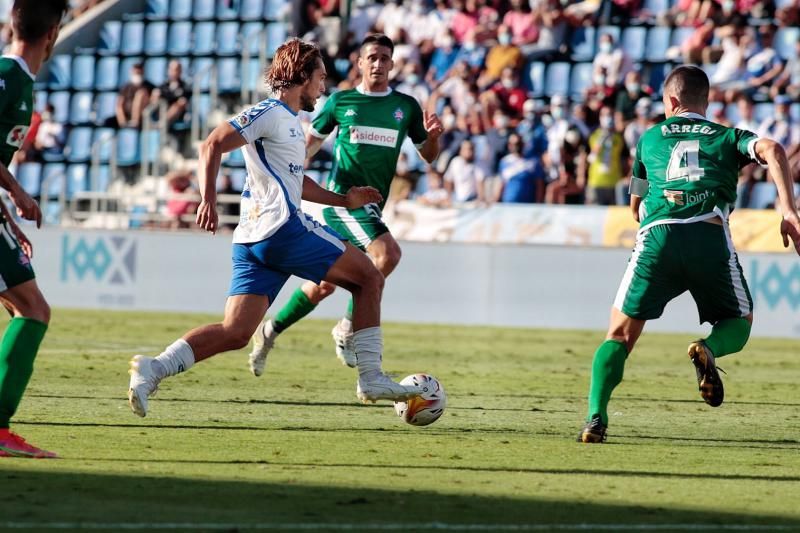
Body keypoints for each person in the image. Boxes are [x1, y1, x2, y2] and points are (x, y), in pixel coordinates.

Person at [127, 38, 424, 418]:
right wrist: (208, 199)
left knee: (235, 331)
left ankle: (154, 367)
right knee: (369, 277)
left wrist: (343, 200)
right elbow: (212, 144)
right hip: (282, 230)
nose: (324, 85)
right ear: (302, 76)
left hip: (253, 241)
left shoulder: (290, 124)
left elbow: (298, 183)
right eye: (320, 77)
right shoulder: (270, 113)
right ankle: (371, 376)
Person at [577, 66, 800, 444]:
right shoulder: (726, 136)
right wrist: (788, 210)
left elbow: (634, 202)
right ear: (706, 102)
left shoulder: (648, 139)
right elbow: (774, 150)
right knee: (739, 321)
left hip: (656, 240)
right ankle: (708, 349)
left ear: (672, 101)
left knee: (619, 334)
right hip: (708, 236)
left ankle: (595, 417)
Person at [247, 34, 442, 373]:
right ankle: (348, 327)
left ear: (393, 63)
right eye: (372, 57)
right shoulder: (340, 102)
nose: (378, 63)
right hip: (342, 203)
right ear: (360, 63)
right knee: (388, 254)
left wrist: (434, 139)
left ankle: (269, 329)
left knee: (323, 287)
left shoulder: (406, 107)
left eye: (384, 57)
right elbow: (305, 148)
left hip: (369, 208)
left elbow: (427, 155)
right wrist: (282, 171)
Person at [0, 0, 67, 458]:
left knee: (27, 307)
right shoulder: (8, 75)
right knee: (32, 309)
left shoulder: (19, 79)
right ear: (55, 33)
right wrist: (20, 195)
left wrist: (8, 218)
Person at [115, 63, 154, 129]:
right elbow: (119, 105)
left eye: (139, 71)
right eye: (135, 71)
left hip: (143, 117)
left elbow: (153, 102)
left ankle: (135, 122)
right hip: (126, 118)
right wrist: (122, 122)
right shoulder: (126, 87)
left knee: (140, 95)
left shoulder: (149, 86)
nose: (137, 73)